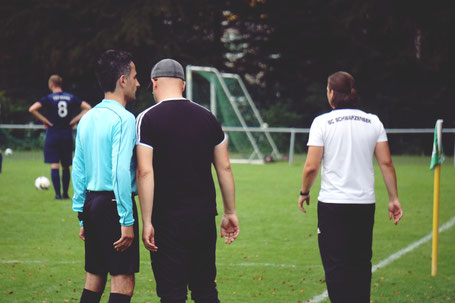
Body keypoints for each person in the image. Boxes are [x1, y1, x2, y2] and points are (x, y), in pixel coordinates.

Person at [136, 58, 239, 303]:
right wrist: (230, 212)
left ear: (154, 83)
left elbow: (145, 172)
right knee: (205, 290)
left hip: (167, 220)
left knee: (172, 293)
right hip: (203, 218)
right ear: (183, 85)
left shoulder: (146, 119)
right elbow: (224, 167)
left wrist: (147, 221)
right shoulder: (208, 117)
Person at [298, 71, 403, 302]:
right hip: (364, 205)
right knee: (360, 264)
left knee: (336, 267)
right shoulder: (373, 121)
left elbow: (311, 167)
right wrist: (394, 198)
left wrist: (304, 192)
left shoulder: (322, 122)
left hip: (333, 205)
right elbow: (386, 162)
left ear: (332, 93)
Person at [72, 50, 140, 303]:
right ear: (123, 80)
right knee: (123, 281)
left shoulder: (87, 118)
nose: (138, 82)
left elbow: (78, 169)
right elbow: (121, 170)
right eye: (134, 76)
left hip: (91, 204)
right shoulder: (124, 119)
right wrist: (127, 218)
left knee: (95, 276)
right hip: (114, 206)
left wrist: (81, 214)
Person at [29, 74, 91, 199]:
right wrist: (74, 120)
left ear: (51, 84)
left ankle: (57, 195)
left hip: (53, 134)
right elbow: (87, 108)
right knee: (66, 165)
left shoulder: (49, 98)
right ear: (60, 84)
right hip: (66, 134)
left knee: (54, 164)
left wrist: (44, 120)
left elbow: (32, 109)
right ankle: (66, 194)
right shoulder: (70, 97)